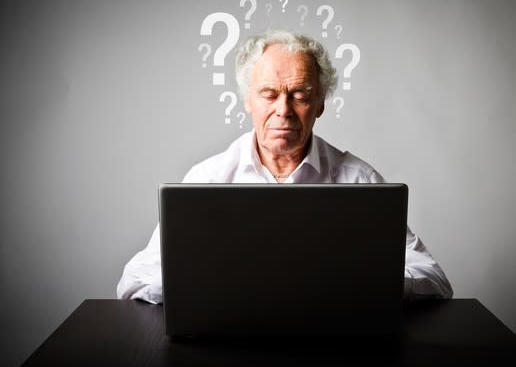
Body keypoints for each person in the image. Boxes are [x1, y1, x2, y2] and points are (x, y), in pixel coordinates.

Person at [117, 29, 453, 304]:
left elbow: (434, 279)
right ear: (247, 100)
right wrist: (213, 285)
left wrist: (361, 286)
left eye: (300, 95)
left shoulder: (359, 180)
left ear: (320, 104)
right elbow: (134, 280)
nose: (284, 110)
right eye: (268, 94)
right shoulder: (206, 178)